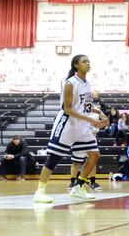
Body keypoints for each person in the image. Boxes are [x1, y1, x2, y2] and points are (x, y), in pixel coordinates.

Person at [33, 54, 106, 204]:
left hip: (82, 125)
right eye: (84, 61)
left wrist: (99, 112)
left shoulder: (88, 83)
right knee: (54, 158)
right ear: (76, 65)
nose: (88, 63)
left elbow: (85, 105)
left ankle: (78, 187)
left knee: (95, 155)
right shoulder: (70, 83)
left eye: (88, 61)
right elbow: (67, 108)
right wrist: (91, 119)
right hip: (67, 123)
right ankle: (39, 192)